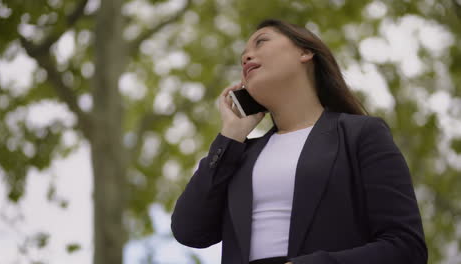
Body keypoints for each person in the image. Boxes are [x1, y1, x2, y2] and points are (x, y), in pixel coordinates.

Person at [171, 18, 427, 264]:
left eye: (261, 42)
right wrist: (231, 134)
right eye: (242, 58)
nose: (246, 57)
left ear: (305, 52)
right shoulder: (241, 155)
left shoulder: (360, 134)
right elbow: (188, 229)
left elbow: (406, 247)